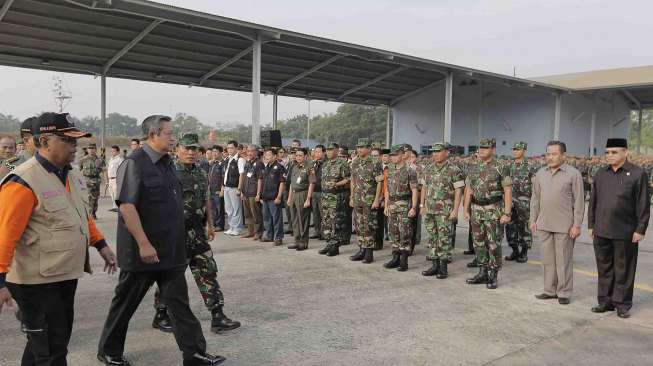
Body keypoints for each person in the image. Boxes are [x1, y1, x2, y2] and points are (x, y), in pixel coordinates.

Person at [97, 116, 225, 366]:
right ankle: (109, 351)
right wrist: (144, 243)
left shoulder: (167, 163)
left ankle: (194, 353)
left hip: (170, 250)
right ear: (153, 134)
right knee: (125, 304)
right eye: (169, 133)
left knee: (179, 304)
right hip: (143, 252)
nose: (173, 137)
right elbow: (127, 207)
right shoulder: (134, 163)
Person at [0, 112, 117, 365]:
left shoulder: (69, 174)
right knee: (53, 351)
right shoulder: (22, 180)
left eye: (76, 141)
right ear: (43, 142)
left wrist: (100, 243)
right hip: (35, 281)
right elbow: (5, 235)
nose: (75, 147)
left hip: (62, 274)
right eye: (68, 140)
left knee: (46, 344)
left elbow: (79, 215)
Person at [151, 133, 240, 334]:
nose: (191, 153)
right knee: (171, 276)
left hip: (197, 232)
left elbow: (206, 198)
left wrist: (210, 223)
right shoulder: (168, 172)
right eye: (186, 148)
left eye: (194, 149)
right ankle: (161, 314)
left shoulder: (200, 171)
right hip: (175, 234)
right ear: (177, 149)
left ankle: (217, 316)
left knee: (207, 270)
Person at [588, 138, 650, 318]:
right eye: (607, 152)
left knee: (624, 270)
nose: (609, 155)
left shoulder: (638, 174)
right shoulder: (601, 173)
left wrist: (640, 229)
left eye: (614, 152)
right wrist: (591, 224)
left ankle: (622, 304)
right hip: (601, 229)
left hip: (625, 231)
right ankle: (605, 302)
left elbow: (643, 204)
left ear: (625, 152)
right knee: (604, 268)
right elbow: (593, 202)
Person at [530, 141, 585, 305]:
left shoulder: (573, 174)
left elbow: (579, 201)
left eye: (554, 154)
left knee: (563, 261)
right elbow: (535, 199)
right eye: (548, 153)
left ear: (563, 155)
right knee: (547, 260)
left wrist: (577, 225)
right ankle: (549, 290)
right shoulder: (540, 174)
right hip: (544, 224)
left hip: (565, 226)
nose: (550, 157)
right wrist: (533, 219)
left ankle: (564, 292)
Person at [464, 138, 512, 289]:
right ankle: (482, 272)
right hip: (476, 209)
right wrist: (465, 209)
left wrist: (507, 213)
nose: (482, 150)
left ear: (493, 149)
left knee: (493, 244)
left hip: (494, 209)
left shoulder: (501, 166)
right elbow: (469, 189)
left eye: (486, 147)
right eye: (481, 147)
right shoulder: (473, 166)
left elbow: (508, 190)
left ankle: (493, 274)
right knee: (478, 242)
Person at [419, 142, 464, 279]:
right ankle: (434, 265)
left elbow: (458, 191)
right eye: (433, 151)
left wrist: (455, 210)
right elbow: (424, 188)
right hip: (430, 209)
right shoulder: (428, 168)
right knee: (432, 238)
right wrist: (422, 205)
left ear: (447, 152)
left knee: (444, 239)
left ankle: (443, 268)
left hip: (445, 211)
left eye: (438, 151)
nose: (435, 154)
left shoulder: (454, 169)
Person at [383, 145, 418, 272]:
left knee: (405, 233)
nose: (392, 157)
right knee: (393, 232)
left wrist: (414, 207)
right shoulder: (390, 169)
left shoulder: (410, 170)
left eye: (395, 155)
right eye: (391, 155)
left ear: (402, 155)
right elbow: (387, 189)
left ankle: (403, 260)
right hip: (392, 204)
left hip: (404, 204)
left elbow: (414, 190)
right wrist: (386, 205)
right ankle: (395, 258)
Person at [348, 138, 383, 263]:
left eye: (362, 147)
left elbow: (379, 182)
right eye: (358, 147)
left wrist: (376, 200)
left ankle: (369, 253)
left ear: (369, 148)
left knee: (369, 226)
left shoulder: (375, 162)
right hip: (357, 199)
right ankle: (361, 249)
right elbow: (353, 180)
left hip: (369, 200)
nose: (360, 149)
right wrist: (351, 197)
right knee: (359, 225)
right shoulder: (355, 162)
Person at [505, 142, 538, 263]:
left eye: (517, 149)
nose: (515, 151)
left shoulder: (530, 166)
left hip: (525, 202)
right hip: (511, 202)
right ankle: (514, 250)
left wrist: (535, 201)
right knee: (510, 227)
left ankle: (524, 252)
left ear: (524, 150)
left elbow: (535, 185)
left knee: (524, 228)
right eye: (513, 149)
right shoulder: (509, 165)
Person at [318, 143, 351, 257]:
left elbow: (348, 179)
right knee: (326, 221)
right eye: (327, 150)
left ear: (337, 151)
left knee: (335, 222)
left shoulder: (342, 164)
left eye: (331, 150)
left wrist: (336, 184)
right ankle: (329, 243)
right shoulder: (326, 164)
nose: (328, 152)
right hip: (325, 196)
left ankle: (335, 246)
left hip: (336, 197)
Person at [286, 148, 315, 250]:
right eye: (297, 155)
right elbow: (291, 184)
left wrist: (308, 199)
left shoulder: (309, 167)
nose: (298, 157)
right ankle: (296, 240)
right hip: (294, 194)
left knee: (303, 219)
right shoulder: (294, 166)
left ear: (305, 156)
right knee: (294, 219)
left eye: (300, 155)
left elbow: (311, 183)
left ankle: (303, 242)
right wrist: (289, 198)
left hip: (303, 194)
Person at [260, 148, 286, 245]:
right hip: (266, 197)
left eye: (269, 155)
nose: (266, 157)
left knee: (276, 218)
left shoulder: (279, 167)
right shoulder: (267, 167)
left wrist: (279, 197)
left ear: (275, 156)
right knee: (267, 218)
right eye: (265, 155)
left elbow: (282, 183)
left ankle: (278, 237)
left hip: (274, 197)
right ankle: (269, 235)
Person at [220, 140, 246, 236]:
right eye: (228, 148)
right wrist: (223, 187)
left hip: (234, 187)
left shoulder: (240, 159)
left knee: (236, 208)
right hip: (227, 187)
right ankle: (231, 227)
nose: (229, 150)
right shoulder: (228, 159)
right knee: (229, 209)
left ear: (236, 148)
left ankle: (238, 228)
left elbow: (242, 174)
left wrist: (239, 188)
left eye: (231, 148)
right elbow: (225, 174)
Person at [241, 145, 264, 240]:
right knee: (247, 214)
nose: (249, 153)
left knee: (256, 214)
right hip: (246, 192)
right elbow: (245, 177)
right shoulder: (247, 163)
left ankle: (258, 232)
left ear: (256, 152)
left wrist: (258, 194)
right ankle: (250, 231)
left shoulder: (259, 163)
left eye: (252, 151)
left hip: (254, 193)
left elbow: (260, 179)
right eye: (248, 151)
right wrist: (242, 190)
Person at [78, 143, 105, 219]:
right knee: (89, 197)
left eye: (92, 148)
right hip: (87, 181)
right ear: (87, 150)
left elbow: (104, 171)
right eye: (89, 148)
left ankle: (93, 212)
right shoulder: (83, 159)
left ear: (95, 149)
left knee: (95, 198)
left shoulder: (100, 160)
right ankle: (89, 214)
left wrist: (106, 182)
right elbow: (79, 171)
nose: (91, 150)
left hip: (96, 181)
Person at [208, 145, 225, 231]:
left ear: (221, 153)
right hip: (211, 189)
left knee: (219, 209)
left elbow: (223, 178)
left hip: (218, 190)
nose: (214, 154)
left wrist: (222, 189)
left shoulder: (222, 163)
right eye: (213, 152)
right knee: (212, 209)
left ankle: (220, 225)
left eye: (216, 152)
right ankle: (214, 224)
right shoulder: (213, 163)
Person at [310, 145, 325, 240]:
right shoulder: (314, 163)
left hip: (322, 191)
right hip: (314, 191)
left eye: (319, 152)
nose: (317, 154)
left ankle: (324, 232)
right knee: (315, 213)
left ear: (324, 152)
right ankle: (317, 231)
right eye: (316, 152)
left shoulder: (326, 163)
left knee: (323, 213)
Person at [107, 145, 124, 213]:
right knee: (111, 193)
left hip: (116, 179)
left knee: (116, 193)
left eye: (114, 151)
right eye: (111, 151)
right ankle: (114, 206)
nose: (112, 152)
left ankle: (118, 207)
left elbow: (121, 169)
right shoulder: (111, 159)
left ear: (118, 151)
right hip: (110, 179)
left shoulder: (120, 159)